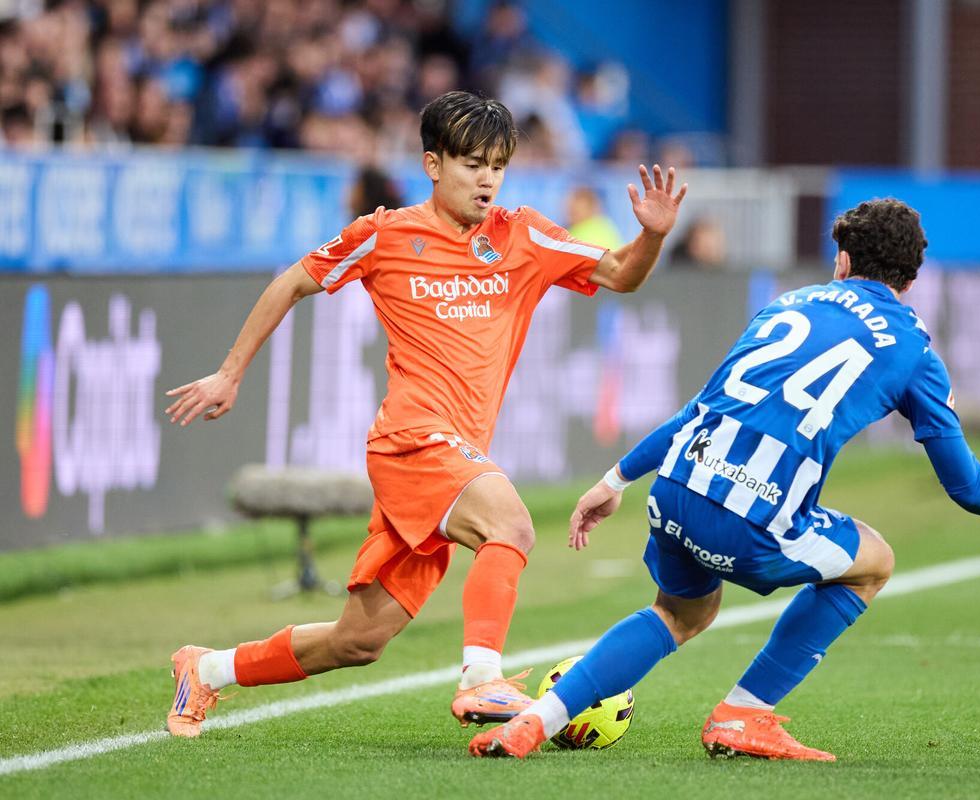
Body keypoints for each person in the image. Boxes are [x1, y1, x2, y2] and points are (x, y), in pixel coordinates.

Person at [162, 90, 688, 738]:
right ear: (433, 164)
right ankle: (481, 677)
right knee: (512, 527)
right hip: (411, 440)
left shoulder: (523, 236)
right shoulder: (385, 236)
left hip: (452, 460)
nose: (487, 178)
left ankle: (205, 670)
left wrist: (653, 236)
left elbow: (620, 274)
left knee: (360, 639)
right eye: (472, 163)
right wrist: (230, 371)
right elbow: (294, 279)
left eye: (497, 164)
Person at [468, 198, 980, 760]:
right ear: (910, 280)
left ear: (844, 262)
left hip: (674, 488)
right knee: (874, 561)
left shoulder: (788, 304)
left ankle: (535, 720)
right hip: (755, 518)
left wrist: (616, 479)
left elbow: (699, 408)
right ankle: (743, 715)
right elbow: (960, 481)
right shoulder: (913, 349)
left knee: (680, 614)